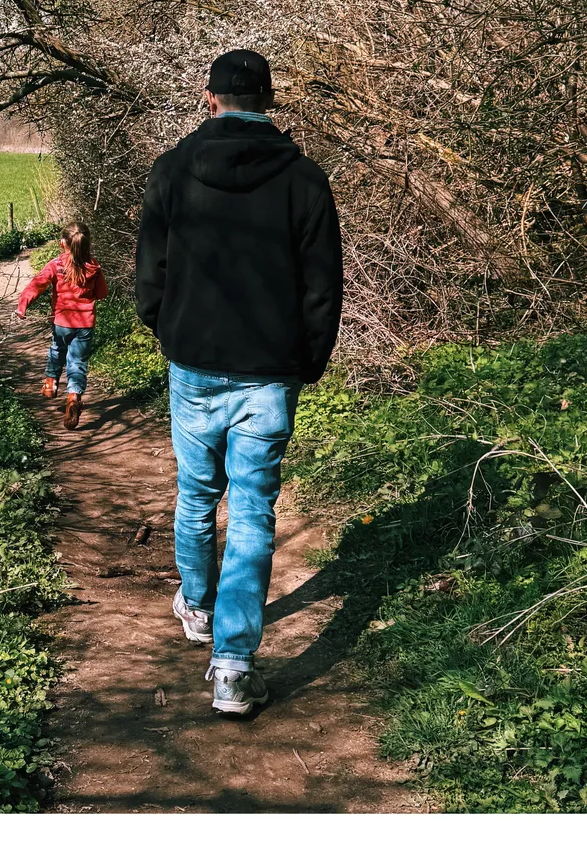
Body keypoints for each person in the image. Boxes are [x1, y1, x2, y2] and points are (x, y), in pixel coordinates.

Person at [135, 49, 343, 715]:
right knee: (253, 509)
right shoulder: (305, 179)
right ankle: (232, 668)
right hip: (270, 374)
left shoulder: (172, 170)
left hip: (194, 366)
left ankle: (197, 608)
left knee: (197, 495)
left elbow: (150, 273)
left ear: (209, 98)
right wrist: (308, 360)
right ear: (269, 101)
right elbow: (322, 288)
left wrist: (168, 330)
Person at [16, 220, 109, 430]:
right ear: (87, 244)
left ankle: (51, 384)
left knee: (57, 350)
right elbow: (102, 293)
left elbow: (37, 284)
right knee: (77, 362)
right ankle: (74, 397)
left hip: (62, 322)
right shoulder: (93, 266)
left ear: (62, 243)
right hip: (85, 324)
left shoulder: (56, 265)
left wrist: (23, 304)